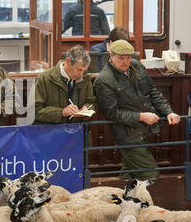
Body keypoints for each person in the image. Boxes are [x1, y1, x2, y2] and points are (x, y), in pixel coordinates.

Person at [93, 39, 181, 181]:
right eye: (121, 58)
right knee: (150, 175)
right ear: (111, 56)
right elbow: (112, 114)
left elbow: (152, 92)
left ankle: (122, 200)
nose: (126, 62)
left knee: (130, 174)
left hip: (144, 129)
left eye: (128, 57)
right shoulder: (103, 80)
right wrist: (140, 116)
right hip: (127, 135)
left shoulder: (137, 66)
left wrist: (168, 111)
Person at [34, 45, 96, 124]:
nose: (81, 75)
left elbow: (91, 102)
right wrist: (61, 112)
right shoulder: (44, 79)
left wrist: (86, 108)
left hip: (77, 130)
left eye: (84, 70)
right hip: (51, 132)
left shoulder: (85, 78)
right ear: (68, 61)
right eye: (79, 70)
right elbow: (35, 111)